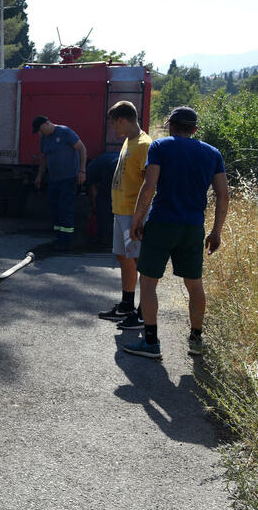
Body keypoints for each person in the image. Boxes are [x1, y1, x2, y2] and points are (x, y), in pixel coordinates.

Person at [123, 106, 229, 360]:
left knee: (148, 282)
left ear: (170, 125)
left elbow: (149, 188)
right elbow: (224, 195)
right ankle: (196, 340)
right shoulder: (212, 153)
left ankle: (151, 342)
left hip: (161, 223)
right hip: (193, 227)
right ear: (195, 129)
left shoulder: (160, 147)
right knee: (195, 285)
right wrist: (216, 232)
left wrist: (137, 220)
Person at [97, 101, 152, 330]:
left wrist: (140, 217)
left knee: (140, 262)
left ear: (122, 120)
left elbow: (150, 183)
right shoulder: (128, 141)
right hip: (120, 212)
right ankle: (127, 304)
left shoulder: (144, 144)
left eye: (113, 122)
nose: (112, 127)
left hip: (133, 214)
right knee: (123, 257)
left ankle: (142, 313)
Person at [33, 116, 87, 251]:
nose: (40, 133)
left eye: (40, 130)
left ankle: (67, 241)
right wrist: (40, 175)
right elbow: (43, 157)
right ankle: (58, 238)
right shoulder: (44, 138)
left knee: (65, 208)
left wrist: (82, 171)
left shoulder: (65, 132)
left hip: (69, 179)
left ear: (47, 124)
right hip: (54, 179)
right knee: (54, 208)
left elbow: (82, 149)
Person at [86, 149, 119, 248]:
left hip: (111, 169)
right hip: (123, 164)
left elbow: (92, 192)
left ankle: (102, 239)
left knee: (103, 204)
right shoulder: (102, 157)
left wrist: (95, 207)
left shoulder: (90, 169)